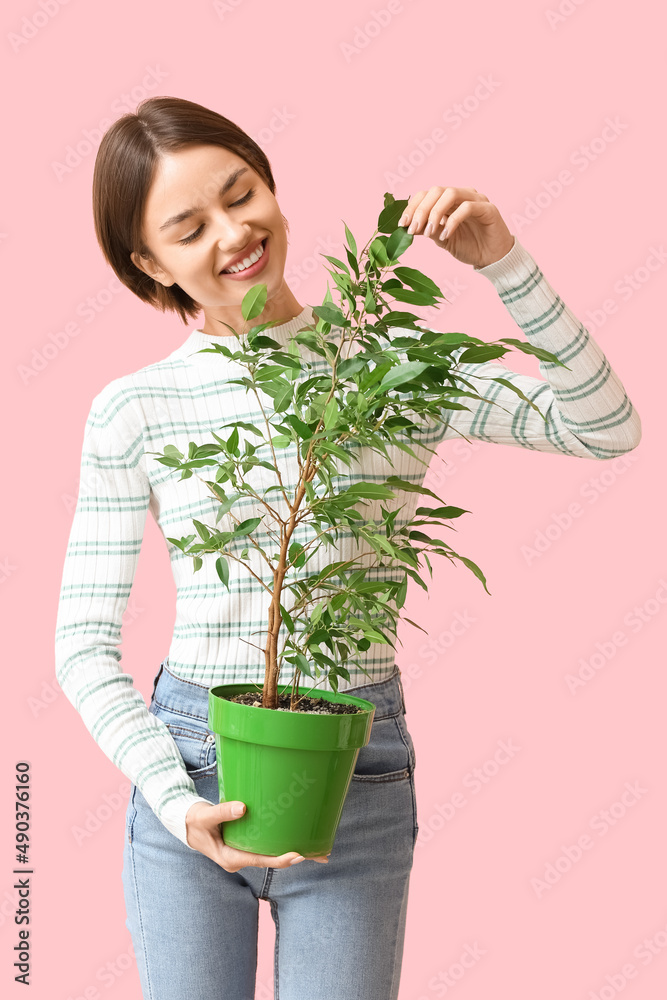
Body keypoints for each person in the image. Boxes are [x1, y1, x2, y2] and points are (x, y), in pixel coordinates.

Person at [54, 96, 641, 1000]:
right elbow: (83, 647)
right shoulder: (135, 409)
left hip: (355, 771)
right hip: (187, 766)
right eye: (188, 226)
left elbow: (605, 427)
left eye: (240, 192)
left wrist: (506, 266)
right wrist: (174, 800)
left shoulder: (387, 372)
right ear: (150, 262)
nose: (233, 233)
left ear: (271, 184)